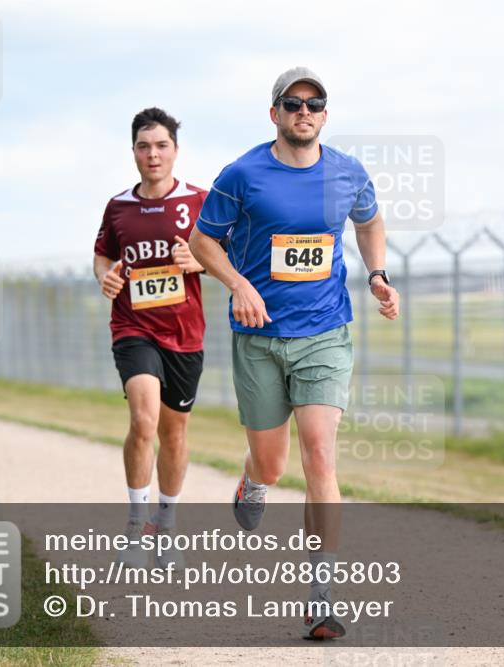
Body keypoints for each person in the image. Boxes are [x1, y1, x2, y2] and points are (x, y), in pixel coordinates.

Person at [190, 67, 400, 639]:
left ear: (325, 115)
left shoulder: (348, 173)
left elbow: (370, 220)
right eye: (292, 103)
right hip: (258, 338)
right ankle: (252, 480)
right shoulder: (242, 173)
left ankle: (321, 596)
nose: (303, 111)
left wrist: (377, 273)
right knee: (273, 463)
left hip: (325, 332)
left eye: (314, 103)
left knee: (321, 458)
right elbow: (202, 241)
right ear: (275, 113)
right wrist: (239, 284)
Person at [93, 108, 207, 569]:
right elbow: (102, 255)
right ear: (133, 151)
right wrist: (106, 278)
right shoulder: (118, 206)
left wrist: (197, 262)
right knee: (144, 420)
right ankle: (135, 528)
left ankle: (167, 525)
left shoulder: (201, 201)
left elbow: (229, 254)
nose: (152, 154)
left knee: (174, 433)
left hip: (184, 332)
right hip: (133, 327)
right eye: (144, 146)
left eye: (161, 145)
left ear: (175, 150)